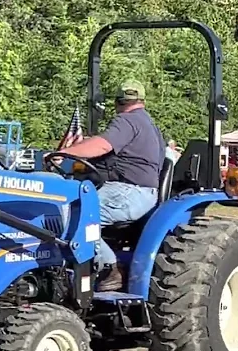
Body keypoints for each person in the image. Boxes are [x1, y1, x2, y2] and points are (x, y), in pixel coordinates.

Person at [57, 79, 166, 291]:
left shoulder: (127, 121)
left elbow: (103, 144)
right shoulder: (149, 125)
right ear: (142, 100)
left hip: (128, 192)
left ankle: (110, 268)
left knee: (67, 213)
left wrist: (65, 152)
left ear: (117, 101)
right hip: (138, 193)